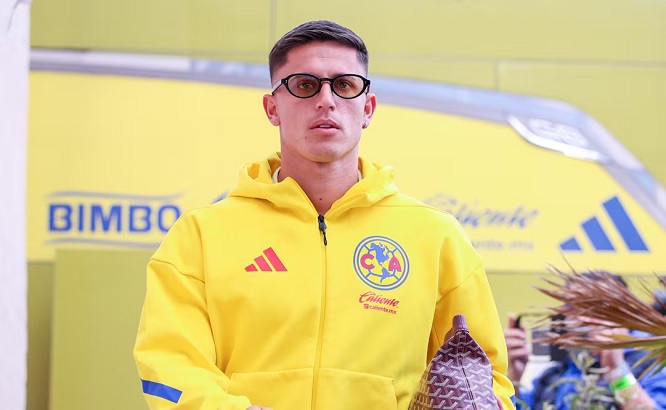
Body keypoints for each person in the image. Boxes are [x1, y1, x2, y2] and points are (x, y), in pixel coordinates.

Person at [134, 20, 515, 410]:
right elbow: (171, 365)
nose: (326, 100)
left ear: (367, 108)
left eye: (345, 85)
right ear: (272, 108)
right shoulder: (201, 235)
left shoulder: (435, 236)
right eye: (304, 85)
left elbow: (486, 380)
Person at [505, 274, 666, 409]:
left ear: (625, 315)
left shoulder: (654, 365)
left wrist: (616, 371)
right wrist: (513, 377)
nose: (582, 319)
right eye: (572, 309)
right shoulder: (556, 375)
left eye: (596, 308)